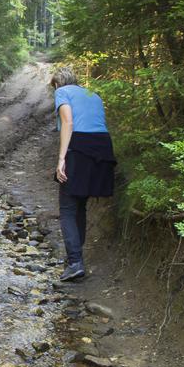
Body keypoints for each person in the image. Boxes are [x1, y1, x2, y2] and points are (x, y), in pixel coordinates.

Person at [50, 67, 116, 281]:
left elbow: (68, 122)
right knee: (80, 205)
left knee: (67, 208)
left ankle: (75, 262)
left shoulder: (62, 92)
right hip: (102, 148)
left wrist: (61, 159)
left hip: (79, 146)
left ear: (58, 83)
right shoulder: (93, 94)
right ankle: (75, 257)